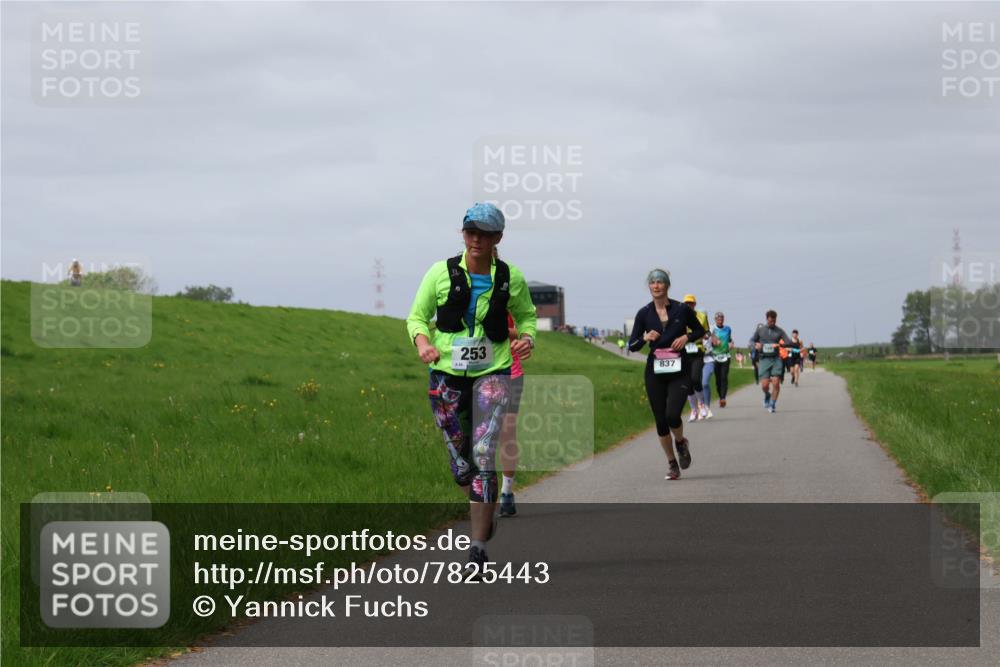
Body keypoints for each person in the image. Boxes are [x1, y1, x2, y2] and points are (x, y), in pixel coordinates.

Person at [407, 202, 537, 572]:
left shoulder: (511, 277)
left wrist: (528, 338)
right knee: (460, 466)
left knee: (483, 456)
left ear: (498, 238)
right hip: (446, 376)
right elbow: (417, 316)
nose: (476, 239)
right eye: (470, 232)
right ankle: (485, 509)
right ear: (463, 234)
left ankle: (477, 548)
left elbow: (527, 315)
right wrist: (423, 344)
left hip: (493, 374)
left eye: (485, 233)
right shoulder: (440, 273)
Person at [629, 272, 706, 480]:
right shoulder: (644, 313)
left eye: (660, 282)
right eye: (652, 283)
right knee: (661, 421)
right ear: (649, 287)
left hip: (679, 369)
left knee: (673, 415)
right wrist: (645, 337)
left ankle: (681, 442)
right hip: (655, 371)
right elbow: (632, 345)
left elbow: (701, 330)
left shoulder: (681, 309)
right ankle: (672, 463)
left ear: (667, 285)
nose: (656, 286)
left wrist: (686, 337)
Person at [750, 310, 793, 413]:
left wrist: (780, 345)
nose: (772, 323)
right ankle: (767, 395)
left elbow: (788, 342)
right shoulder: (761, 330)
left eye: (774, 321)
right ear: (767, 319)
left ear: (776, 320)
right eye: (770, 321)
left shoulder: (780, 331)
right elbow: (751, 340)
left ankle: (772, 404)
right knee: (765, 385)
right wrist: (756, 345)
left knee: (776, 383)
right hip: (764, 359)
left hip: (776, 359)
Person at [682, 294, 712, 421]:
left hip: (698, 351)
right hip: (684, 352)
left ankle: (702, 405)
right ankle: (693, 410)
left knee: (695, 378)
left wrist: (705, 336)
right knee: (687, 384)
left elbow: (707, 331)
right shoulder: (679, 317)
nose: (688, 305)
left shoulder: (702, 316)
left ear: (694, 304)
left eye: (691, 303)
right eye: (686, 303)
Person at [710, 312, 733, 408]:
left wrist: (731, 343)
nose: (720, 321)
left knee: (724, 377)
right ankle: (720, 396)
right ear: (715, 320)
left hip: (726, 356)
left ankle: (723, 398)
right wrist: (713, 342)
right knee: (718, 379)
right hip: (715, 356)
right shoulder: (712, 330)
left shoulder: (728, 329)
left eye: (722, 319)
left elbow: (730, 339)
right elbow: (707, 342)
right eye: (718, 319)